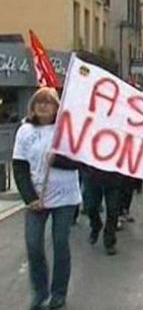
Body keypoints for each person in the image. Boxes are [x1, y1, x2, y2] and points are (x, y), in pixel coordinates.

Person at [12, 87, 82, 310]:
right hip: (37, 198)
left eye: (48, 102)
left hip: (65, 197)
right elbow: (20, 166)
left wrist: (59, 160)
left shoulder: (66, 129)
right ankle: (40, 292)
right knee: (33, 245)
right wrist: (29, 197)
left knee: (60, 243)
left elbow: (81, 162)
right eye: (39, 102)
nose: (43, 106)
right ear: (32, 107)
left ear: (56, 107)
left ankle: (58, 293)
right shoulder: (24, 131)